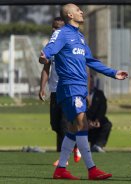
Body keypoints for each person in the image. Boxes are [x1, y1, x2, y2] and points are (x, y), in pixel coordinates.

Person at [39, 3, 128, 180]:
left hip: (79, 88)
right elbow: (50, 48)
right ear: (70, 15)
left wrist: (113, 73)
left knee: (73, 129)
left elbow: (91, 61)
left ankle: (61, 169)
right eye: (78, 10)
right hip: (69, 87)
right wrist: (45, 55)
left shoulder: (79, 37)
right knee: (83, 125)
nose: (82, 12)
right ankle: (92, 169)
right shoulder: (62, 33)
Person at [39, 17, 81, 167]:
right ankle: (76, 144)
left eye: (57, 28)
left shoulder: (69, 45)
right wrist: (42, 88)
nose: (53, 30)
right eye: (52, 27)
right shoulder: (50, 47)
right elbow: (46, 68)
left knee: (64, 124)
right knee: (55, 125)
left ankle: (64, 159)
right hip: (55, 91)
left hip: (67, 90)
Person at [87, 86, 112, 153]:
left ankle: (98, 145)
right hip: (82, 119)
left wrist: (97, 120)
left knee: (107, 124)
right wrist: (87, 121)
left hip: (95, 119)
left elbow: (103, 108)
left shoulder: (99, 93)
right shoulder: (78, 92)